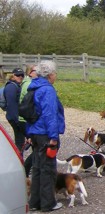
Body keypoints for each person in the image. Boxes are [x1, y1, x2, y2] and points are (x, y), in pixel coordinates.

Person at [26, 60, 65, 212]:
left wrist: (29, 133)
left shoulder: (34, 86)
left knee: (37, 168)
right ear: (50, 75)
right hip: (45, 134)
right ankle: (48, 203)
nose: (55, 76)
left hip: (35, 132)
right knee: (48, 169)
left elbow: (31, 114)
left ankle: (35, 201)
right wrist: (53, 137)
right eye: (55, 73)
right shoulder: (47, 90)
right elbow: (50, 115)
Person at [4, 68, 25, 156]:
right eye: (17, 75)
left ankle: (19, 158)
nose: (20, 77)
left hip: (15, 117)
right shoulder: (11, 87)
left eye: (22, 75)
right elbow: (11, 105)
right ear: (13, 75)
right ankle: (19, 160)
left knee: (20, 140)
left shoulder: (17, 85)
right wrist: (17, 121)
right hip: (14, 117)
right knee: (19, 141)